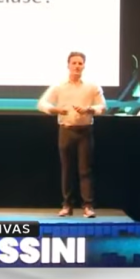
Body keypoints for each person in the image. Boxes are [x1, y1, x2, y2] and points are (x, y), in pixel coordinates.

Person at [37, 52, 107, 217]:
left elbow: (103, 107)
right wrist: (55, 109)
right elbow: (41, 103)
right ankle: (67, 205)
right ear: (68, 65)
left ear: (84, 66)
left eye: (80, 63)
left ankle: (88, 206)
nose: (77, 66)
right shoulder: (59, 86)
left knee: (85, 170)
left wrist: (89, 109)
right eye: (74, 63)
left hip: (85, 131)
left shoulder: (92, 86)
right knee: (67, 169)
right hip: (66, 130)